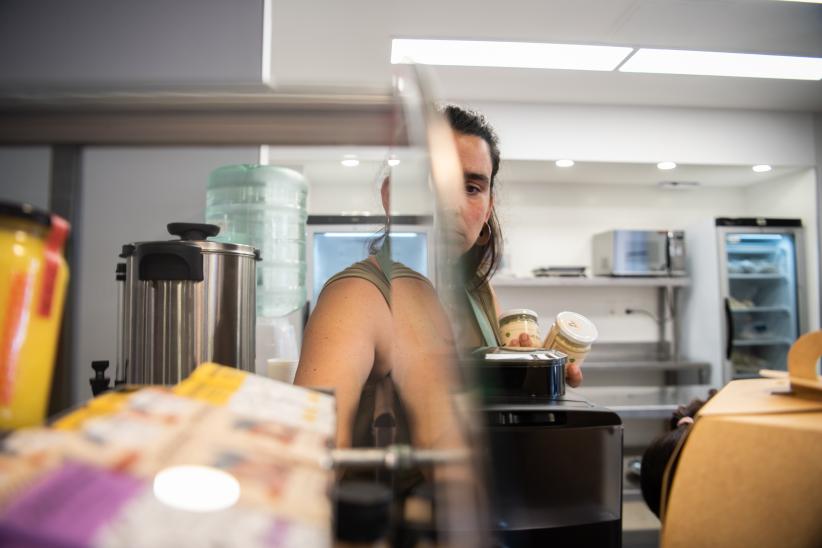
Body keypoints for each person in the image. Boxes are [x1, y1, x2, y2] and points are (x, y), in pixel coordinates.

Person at [294, 105, 583, 454]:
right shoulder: (358, 297)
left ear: (488, 207)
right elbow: (309, 455)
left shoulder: (476, 290)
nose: (453, 205)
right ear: (391, 197)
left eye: (472, 188)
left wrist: (527, 372)